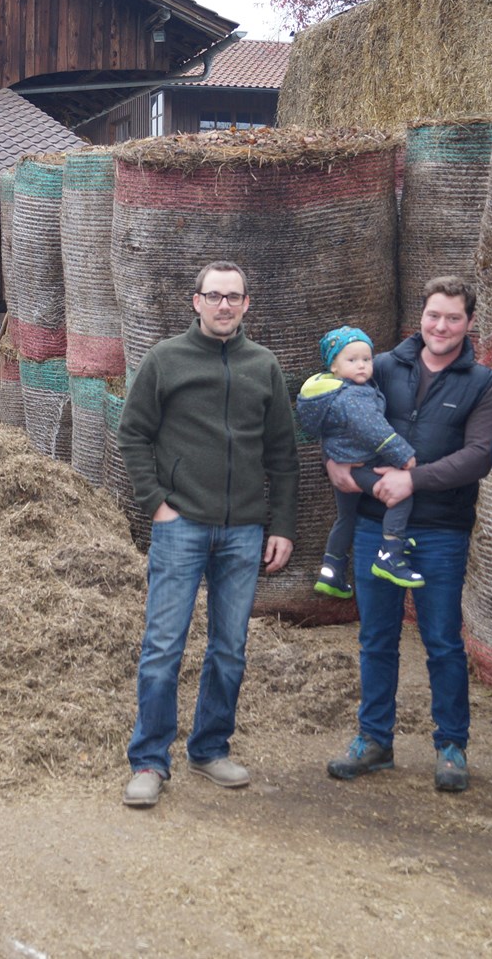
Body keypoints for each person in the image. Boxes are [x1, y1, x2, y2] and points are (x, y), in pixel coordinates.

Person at [117, 260, 300, 808]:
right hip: (181, 527)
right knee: (163, 646)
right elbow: (133, 435)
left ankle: (210, 747)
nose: (225, 305)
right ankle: (150, 759)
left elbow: (284, 457)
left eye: (234, 297)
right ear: (195, 301)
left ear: (247, 304)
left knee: (229, 648)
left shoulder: (262, 366)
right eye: (214, 295)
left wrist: (282, 526)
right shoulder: (165, 360)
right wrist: (158, 505)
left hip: (243, 531)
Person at [324, 276, 492, 793]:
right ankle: (374, 740)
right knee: (376, 637)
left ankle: (451, 745)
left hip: (440, 532)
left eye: (453, 318)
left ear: (470, 323)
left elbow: (478, 457)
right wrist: (335, 462)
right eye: (433, 315)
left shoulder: (484, 385)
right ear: (419, 318)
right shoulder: (380, 366)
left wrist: (413, 479)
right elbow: (338, 413)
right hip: (372, 524)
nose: (441, 327)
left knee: (443, 641)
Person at [296, 325, 422, 598]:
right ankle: (391, 551)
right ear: (334, 366)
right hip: (360, 464)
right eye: (352, 360)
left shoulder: (334, 392)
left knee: (346, 517)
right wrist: (403, 455)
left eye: (366, 359)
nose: (362, 366)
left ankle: (331, 570)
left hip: (343, 461)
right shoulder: (354, 397)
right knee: (400, 497)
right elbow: (374, 430)